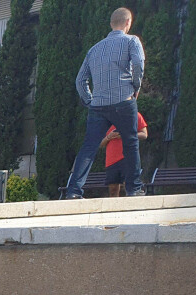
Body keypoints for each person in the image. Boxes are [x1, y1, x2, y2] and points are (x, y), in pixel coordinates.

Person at [63, 7, 146, 199]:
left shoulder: (94, 49)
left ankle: (74, 191)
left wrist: (89, 100)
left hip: (98, 105)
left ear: (110, 24)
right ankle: (134, 189)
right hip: (124, 100)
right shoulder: (132, 41)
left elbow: (80, 80)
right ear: (128, 23)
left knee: (89, 147)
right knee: (131, 142)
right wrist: (135, 87)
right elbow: (139, 64)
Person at [101, 111, 147, 196]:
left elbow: (144, 134)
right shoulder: (107, 117)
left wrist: (125, 135)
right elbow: (100, 144)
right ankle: (114, 209)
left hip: (127, 157)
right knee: (113, 189)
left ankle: (131, 207)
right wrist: (109, 137)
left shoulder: (134, 114)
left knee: (129, 187)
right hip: (111, 160)